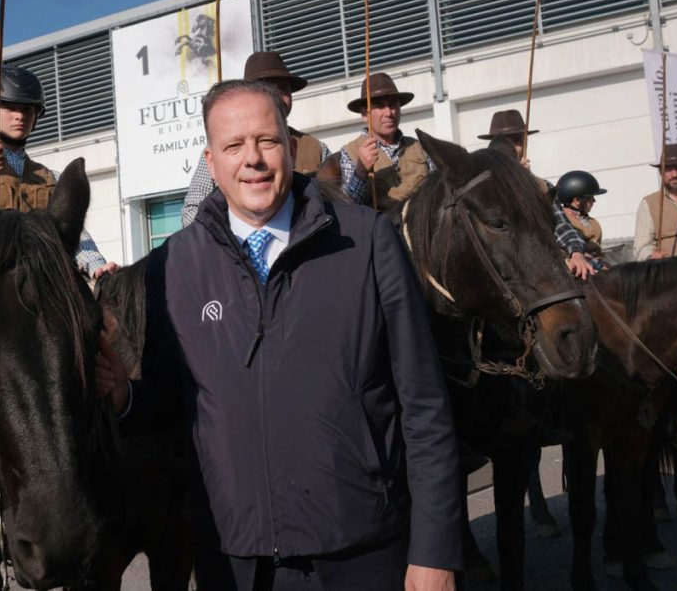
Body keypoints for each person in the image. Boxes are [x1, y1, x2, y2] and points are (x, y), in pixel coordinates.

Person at [99, 80, 461, 590]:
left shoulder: (367, 242)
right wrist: (124, 398)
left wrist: (436, 552)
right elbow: (172, 402)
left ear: (290, 147)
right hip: (236, 561)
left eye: (267, 141)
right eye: (233, 146)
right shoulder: (173, 267)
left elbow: (425, 406)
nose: (254, 159)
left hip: (361, 552)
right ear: (210, 160)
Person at [0, 64, 117, 280]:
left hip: (41, 281)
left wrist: (97, 268)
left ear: (36, 116)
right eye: (10, 108)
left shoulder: (51, 178)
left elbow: (73, 233)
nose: (20, 116)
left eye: (27, 109)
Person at [180, 51, 329, 227]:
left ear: (292, 149)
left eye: (283, 89)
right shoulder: (221, 153)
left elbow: (336, 202)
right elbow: (191, 212)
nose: (254, 158)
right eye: (267, 88)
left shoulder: (317, 147)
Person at [478, 110, 595, 279]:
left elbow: (561, 226)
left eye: (518, 141)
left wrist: (576, 253)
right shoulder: (480, 186)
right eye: (504, 142)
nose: (512, 148)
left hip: (545, 266)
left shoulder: (543, 187)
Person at [335, 72, 430, 211]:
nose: (389, 113)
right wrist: (360, 172)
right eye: (380, 106)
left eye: (393, 105)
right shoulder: (350, 153)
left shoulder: (420, 147)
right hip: (382, 230)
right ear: (364, 114)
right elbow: (348, 208)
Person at [556, 170, 607, 258]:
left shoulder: (593, 222)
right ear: (577, 200)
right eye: (590, 198)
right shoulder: (562, 220)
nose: (594, 201)